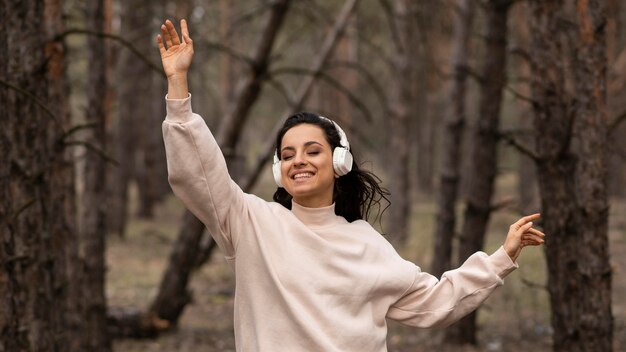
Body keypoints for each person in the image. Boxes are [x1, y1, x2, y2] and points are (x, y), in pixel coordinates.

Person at [157, 19, 546, 352]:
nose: (299, 161)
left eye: (312, 151)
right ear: (279, 169)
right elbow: (198, 176)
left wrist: (501, 257)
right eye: (288, 154)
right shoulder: (251, 223)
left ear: (338, 161)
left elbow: (435, 302)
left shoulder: (367, 245)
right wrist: (178, 89)